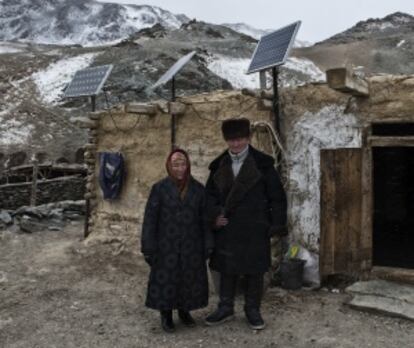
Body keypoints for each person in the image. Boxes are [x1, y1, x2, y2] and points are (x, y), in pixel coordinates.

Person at [205, 118, 287, 330]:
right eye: (231, 140)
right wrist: (215, 215)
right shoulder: (217, 166)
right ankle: (225, 307)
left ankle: (252, 310)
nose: (236, 144)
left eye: (240, 139)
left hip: (255, 226)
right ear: (226, 140)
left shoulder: (263, 164)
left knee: (254, 270)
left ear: (248, 138)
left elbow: (277, 197)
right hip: (228, 227)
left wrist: (275, 224)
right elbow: (209, 198)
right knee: (226, 267)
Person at [141, 148, 213, 333]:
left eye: (183, 164)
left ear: (188, 165)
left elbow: (205, 220)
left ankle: (184, 311)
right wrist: (148, 247)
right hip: (166, 246)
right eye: (175, 165)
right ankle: (166, 315)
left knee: (188, 280)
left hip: (191, 245)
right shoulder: (159, 189)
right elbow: (150, 219)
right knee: (167, 280)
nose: (179, 168)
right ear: (169, 166)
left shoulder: (198, 189)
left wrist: (208, 244)